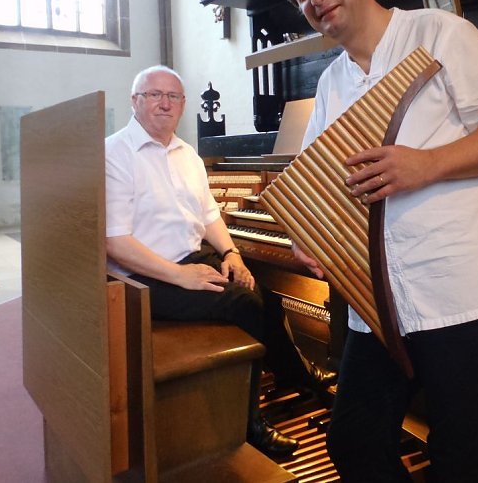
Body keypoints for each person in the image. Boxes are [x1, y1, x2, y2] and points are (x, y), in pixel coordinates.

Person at [277, 0, 478, 482]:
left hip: (461, 289)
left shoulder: (440, 33)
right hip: (380, 302)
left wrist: (426, 164)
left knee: (462, 456)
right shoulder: (332, 80)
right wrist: (310, 230)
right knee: (354, 442)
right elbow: (324, 177)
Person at [105, 64, 335, 459]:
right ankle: (251, 422)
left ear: (182, 105)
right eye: (154, 95)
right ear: (135, 101)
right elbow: (115, 242)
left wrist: (232, 254)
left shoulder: (187, 154)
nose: (165, 103)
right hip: (144, 279)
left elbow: (210, 215)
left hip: (191, 258)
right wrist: (181, 276)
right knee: (246, 305)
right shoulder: (114, 153)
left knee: (266, 296)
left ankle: (288, 372)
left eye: (173, 96)